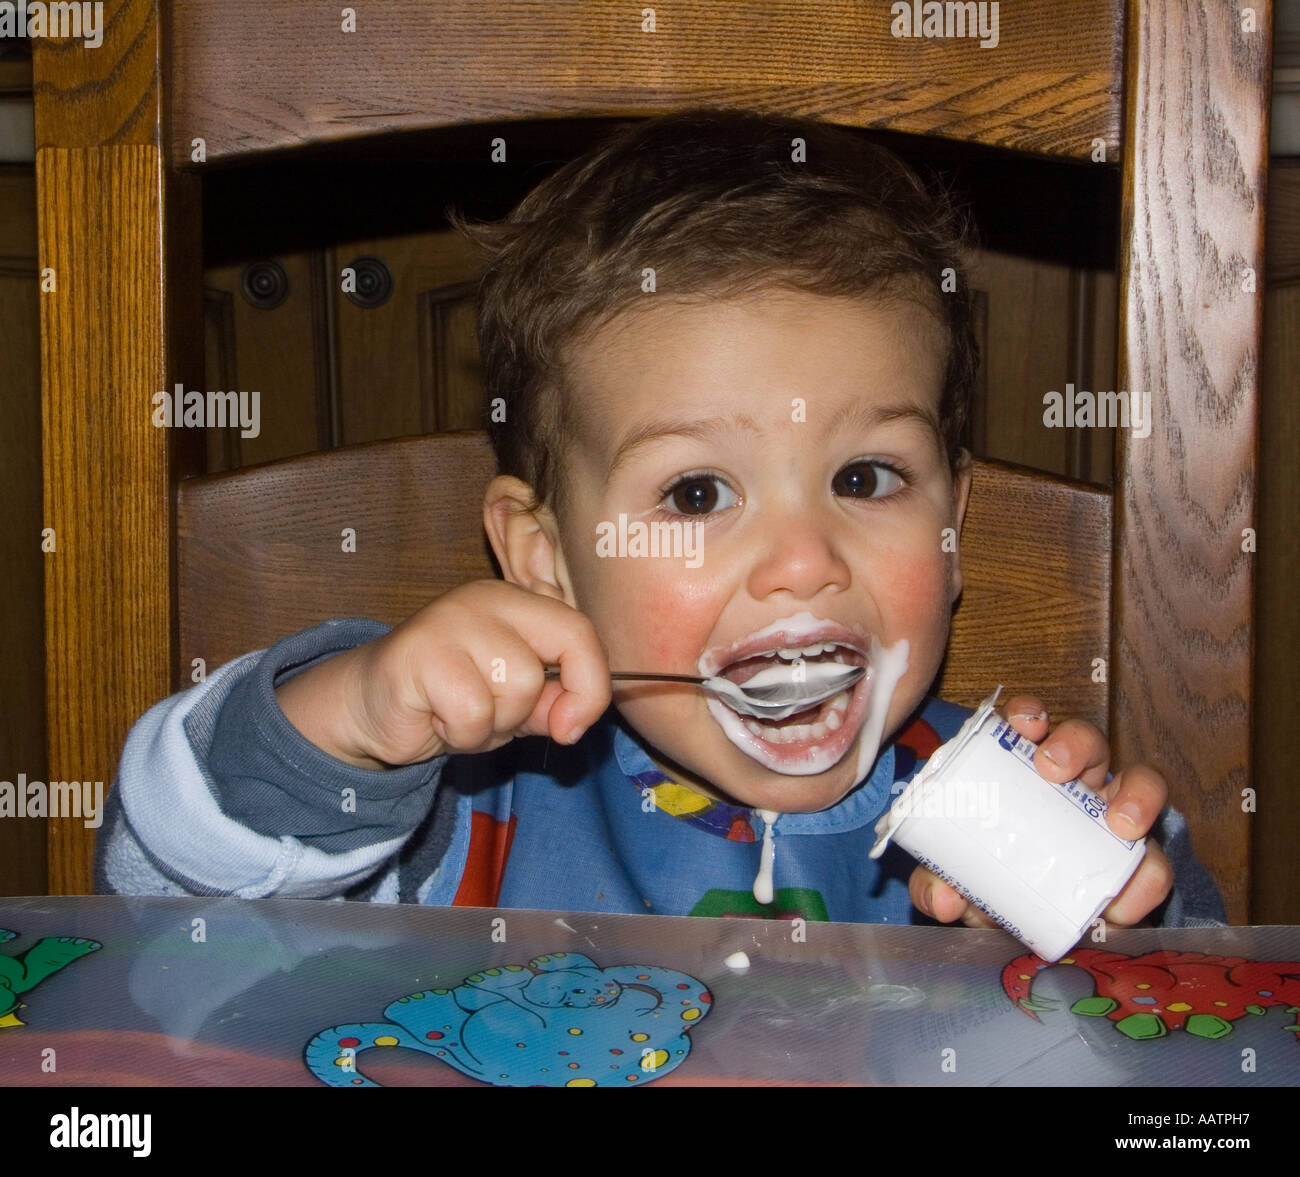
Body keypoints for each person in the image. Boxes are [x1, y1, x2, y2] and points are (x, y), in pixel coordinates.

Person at [98, 108, 1226, 930]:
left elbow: (1202, 1050)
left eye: (867, 478)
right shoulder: (457, 826)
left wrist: (1092, 929)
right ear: (544, 559)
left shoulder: (1024, 815)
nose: (800, 562)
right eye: (696, 493)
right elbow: (159, 895)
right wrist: (351, 717)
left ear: (953, 521)